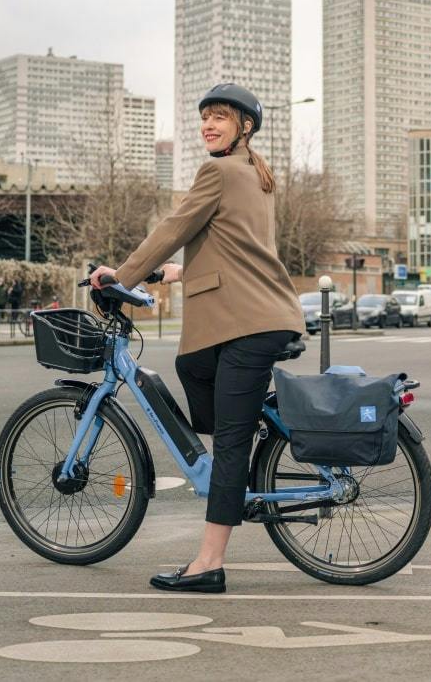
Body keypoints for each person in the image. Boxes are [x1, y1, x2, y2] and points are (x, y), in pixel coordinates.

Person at [90, 83, 303, 595]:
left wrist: (124, 276)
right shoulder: (255, 172)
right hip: (263, 312)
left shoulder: (219, 171)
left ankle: (208, 563)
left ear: (243, 127)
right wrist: (176, 276)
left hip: (246, 323)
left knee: (228, 440)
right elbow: (240, 248)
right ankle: (241, 453)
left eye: (220, 118)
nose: (208, 125)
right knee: (191, 369)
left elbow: (174, 226)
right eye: (205, 117)